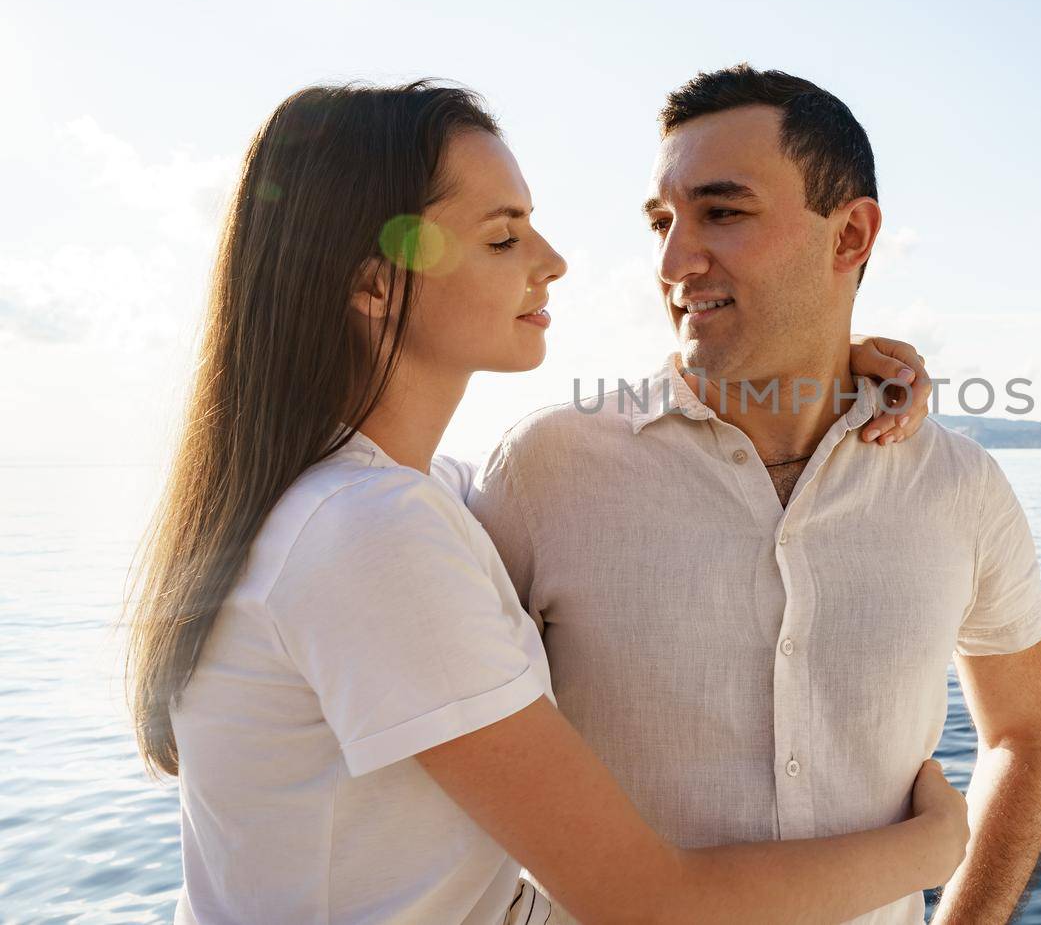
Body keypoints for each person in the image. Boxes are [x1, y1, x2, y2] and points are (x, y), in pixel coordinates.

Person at [123, 80, 967, 925]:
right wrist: (934, 845)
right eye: (502, 237)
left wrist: (824, 362)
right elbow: (647, 902)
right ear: (377, 286)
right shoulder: (369, 529)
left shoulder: (393, 499)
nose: (552, 260)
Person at [469, 65, 1041, 925]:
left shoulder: (959, 487)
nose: (674, 261)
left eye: (722, 211)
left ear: (851, 235)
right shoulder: (544, 468)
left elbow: (1024, 731)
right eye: (661, 222)